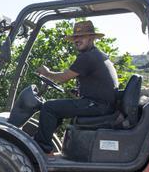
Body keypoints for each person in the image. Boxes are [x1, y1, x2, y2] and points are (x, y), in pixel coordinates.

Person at [34, 20, 119, 154]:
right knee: (57, 110)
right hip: (100, 104)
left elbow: (63, 77)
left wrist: (46, 72)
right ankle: (44, 144)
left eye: (81, 36)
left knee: (49, 107)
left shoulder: (88, 57)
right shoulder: (97, 54)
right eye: (75, 37)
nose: (77, 40)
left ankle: (42, 149)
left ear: (91, 37)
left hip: (98, 105)